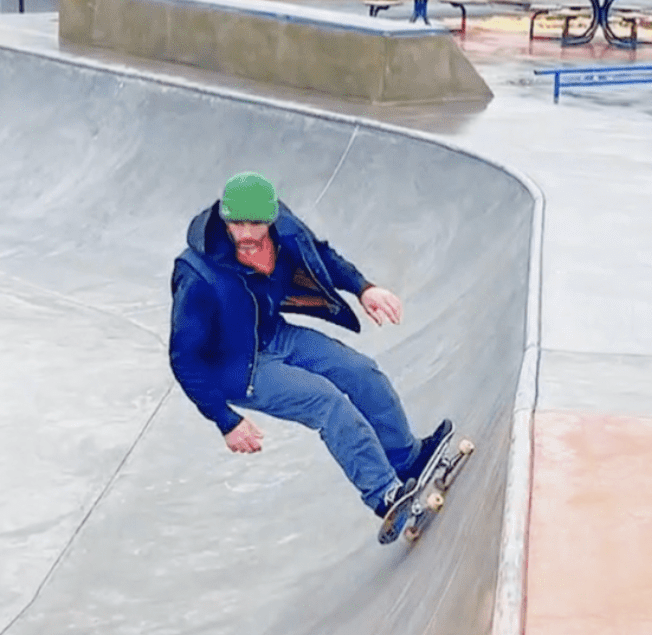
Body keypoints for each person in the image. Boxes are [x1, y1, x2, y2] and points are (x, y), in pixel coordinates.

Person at [168, 172, 451, 529]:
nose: (243, 233)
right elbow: (183, 357)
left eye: (254, 224)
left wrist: (362, 288)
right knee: (326, 401)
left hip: (274, 334)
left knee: (360, 370)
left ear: (270, 218)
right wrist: (225, 420)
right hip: (237, 367)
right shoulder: (197, 274)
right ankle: (384, 494)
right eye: (235, 223)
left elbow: (319, 256)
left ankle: (406, 458)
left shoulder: (284, 228)